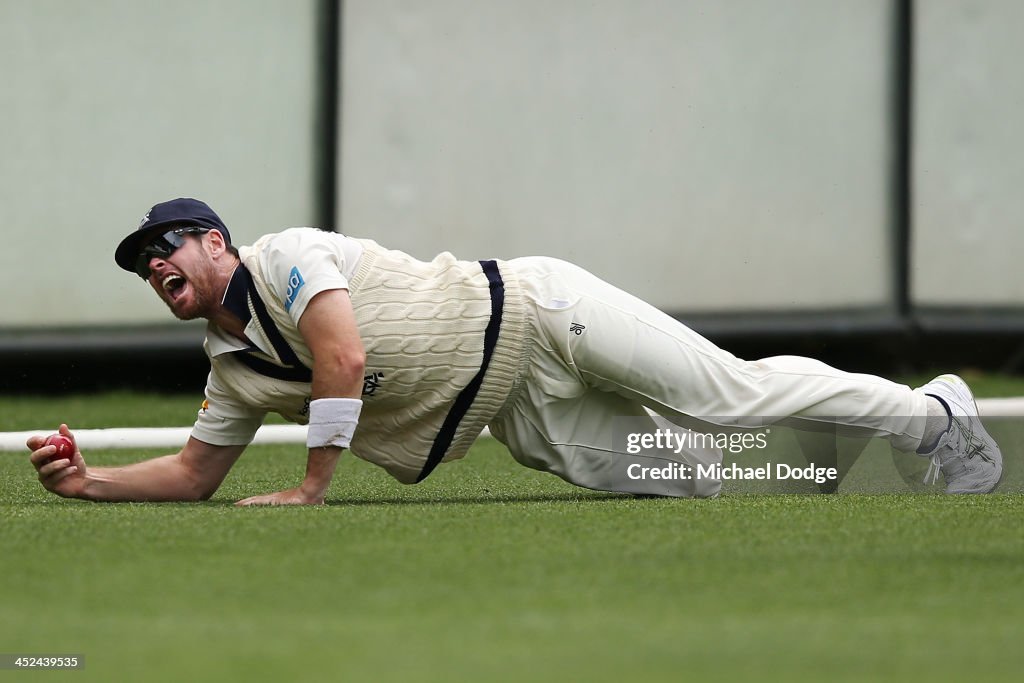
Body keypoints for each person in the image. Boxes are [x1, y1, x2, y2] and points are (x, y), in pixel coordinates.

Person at [27, 198, 1003, 504]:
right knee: (697, 478)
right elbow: (198, 473)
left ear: (215, 241)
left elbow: (342, 358)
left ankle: (933, 413)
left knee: (727, 396)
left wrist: (313, 483)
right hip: (509, 410)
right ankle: (860, 469)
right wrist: (90, 484)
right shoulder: (229, 368)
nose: (156, 262)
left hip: (536, 308)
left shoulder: (284, 256)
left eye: (169, 244)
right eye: (142, 263)